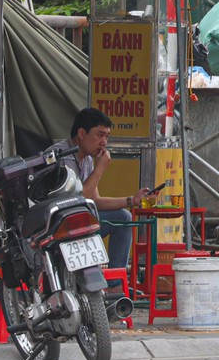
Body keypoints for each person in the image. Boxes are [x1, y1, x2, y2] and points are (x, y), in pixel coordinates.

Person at [48, 108, 151, 269]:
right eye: (100, 135)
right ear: (81, 133)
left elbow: (94, 200)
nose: (104, 142)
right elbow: (77, 201)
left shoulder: (87, 159)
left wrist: (132, 200)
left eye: (107, 136)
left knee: (123, 217)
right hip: (59, 226)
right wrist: (100, 169)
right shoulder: (62, 155)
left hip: (79, 220)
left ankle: (114, 283)